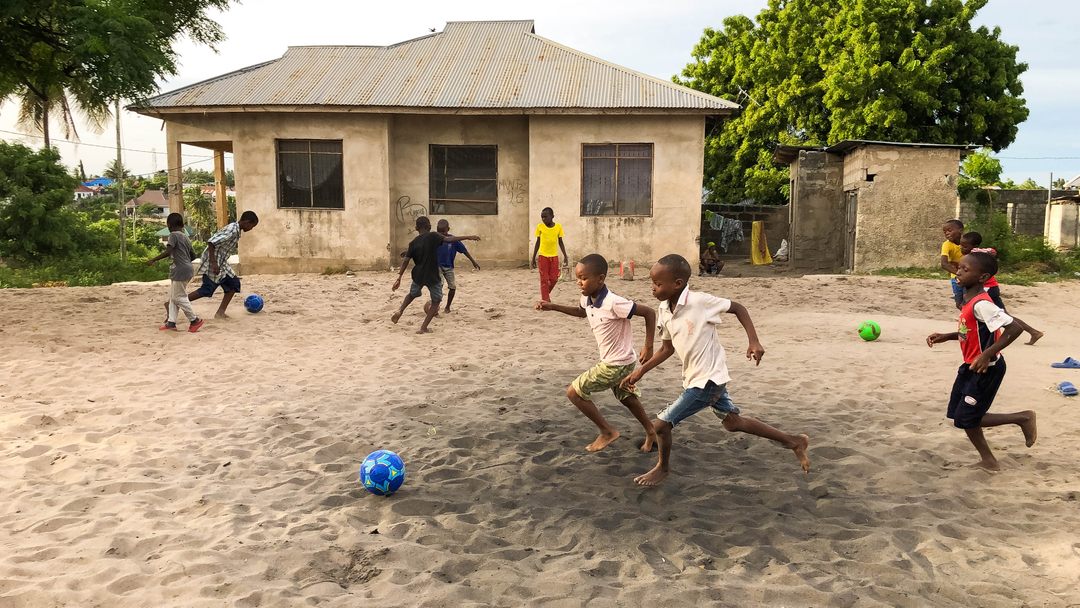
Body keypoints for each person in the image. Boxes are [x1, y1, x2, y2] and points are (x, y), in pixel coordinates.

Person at [620, 254, 810, 486]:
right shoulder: (664, 309)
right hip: (696, 378)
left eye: (658, 284)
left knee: (660, 425)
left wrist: (753, 341)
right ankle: (794, 441)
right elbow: (666, 349)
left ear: (677, 284)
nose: (653, 288)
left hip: (707, 381)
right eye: (652, 283)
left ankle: (663, 468)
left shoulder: (700, 302)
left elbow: (738, 308)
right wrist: (641, 371)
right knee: (733, 423)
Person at [536, 254, 658, 453]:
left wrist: (648, 346)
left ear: (600, 279)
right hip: (621, 360)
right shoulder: (587, 298)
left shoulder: (614, 302)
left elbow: (649, 313)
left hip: (616, 363)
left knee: (574, 392)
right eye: (578, 278)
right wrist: (553, 306)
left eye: (583, 278)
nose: (579, 282)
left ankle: (607, 431)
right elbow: (581, 312)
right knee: (626, 396)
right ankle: (651, 431)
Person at [926, 251, 1037, 471]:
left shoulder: (982, 303)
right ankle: (989, 459)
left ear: (983, 277)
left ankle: (1022, 419)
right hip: (971, 366)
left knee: (967, 418)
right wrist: (948, 336)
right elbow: (973, 331)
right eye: (959, 267)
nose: (958, 271)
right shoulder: (968, 300)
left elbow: (1014, 328)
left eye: (965, 269)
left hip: (988, 368)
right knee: (958, 416)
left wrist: (987, 354)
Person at [392, 216, 479, 334]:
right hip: (432, 275)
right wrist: (468, 237)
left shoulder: (413, 243)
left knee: (412, 294)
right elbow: (449, 239)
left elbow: (406, 261)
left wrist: (399, 277)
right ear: (429, 226)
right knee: (436, 300)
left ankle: (400, 310)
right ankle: (423, 327)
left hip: (418, 274)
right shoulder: (433, 236)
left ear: (416, 228)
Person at [959, 231, 1043, 345]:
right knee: (998, 314)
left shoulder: (975, 257)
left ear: (974, 246)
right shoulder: (972, 258)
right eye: (961, 245)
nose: (961, 248)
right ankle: (1032, 332)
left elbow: (992, 251)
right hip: (991, 287)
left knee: (1002, 315)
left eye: (964, 246)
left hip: (988, 288)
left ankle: (1032, 332)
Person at [189, 210, 259, 319]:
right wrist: (214, 263)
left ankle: (220, 313)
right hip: (213, 261)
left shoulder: (236, 229)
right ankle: (175, 303)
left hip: (222, 262)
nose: (251, 229)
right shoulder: (232, 231)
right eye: (252, 226)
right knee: (207, 289)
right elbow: (211, 242)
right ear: (247, 222)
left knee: (234, 284)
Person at [147, 213, 204, 332]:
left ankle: (194, 320)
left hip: (179, 270)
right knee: (173, 297)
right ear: (182, 225)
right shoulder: (185, 237)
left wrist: (154, 259)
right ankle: (171, 322)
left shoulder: (173, 235)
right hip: (188, 269)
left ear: (169, 225)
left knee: (179, 297)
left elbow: (168, 251)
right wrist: (184, 261)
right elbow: (193, 255)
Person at [436, 219, 480, 313]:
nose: (442, 234)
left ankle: (447, 307)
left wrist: (473, 261)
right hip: (437, 266)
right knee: (439, 286)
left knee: (452, 287)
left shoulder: (454, 240)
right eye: (440, 232)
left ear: (448, 229)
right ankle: (435, 307)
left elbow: (464, 251)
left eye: (444, 232)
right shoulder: (435, 238)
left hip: (449, 267)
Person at [530, 207, 568, 302]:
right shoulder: (540, 227)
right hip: (542, 257)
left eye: (545, 217)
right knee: (544, 279)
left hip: (554, 257)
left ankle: (545, 295)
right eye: (542, 217)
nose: (543, 219)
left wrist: (565, 256)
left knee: (554, 278)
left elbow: (560, 242)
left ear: (552, 216)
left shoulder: (558, 227)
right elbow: (538, 242)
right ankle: (545, 300)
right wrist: (533, 257)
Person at [940, 219, 965, 310]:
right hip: (956, 278)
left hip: (970, 277)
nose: (947, 233)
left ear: (960, 230)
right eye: (944, 232)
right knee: (959, 303)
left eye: (949, 230)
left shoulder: (967, 242)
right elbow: (944, 263)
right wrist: (959, 274)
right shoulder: (947, 245)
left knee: (970, 299)